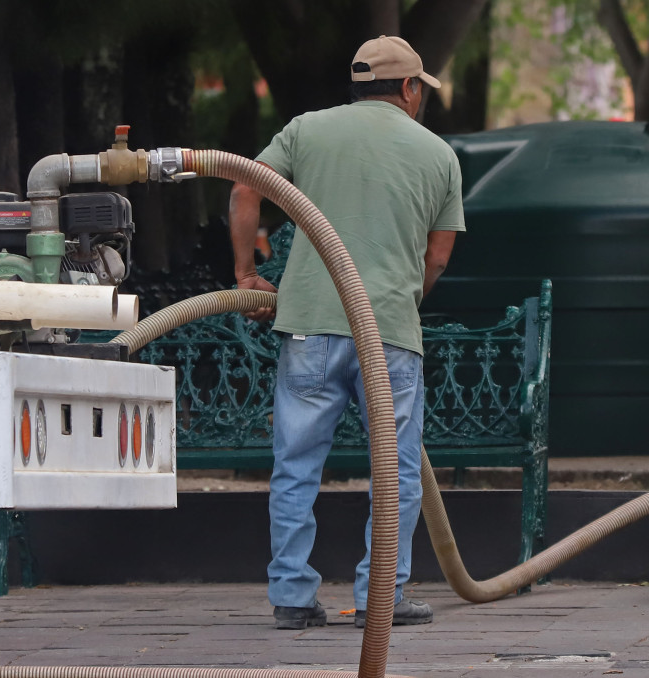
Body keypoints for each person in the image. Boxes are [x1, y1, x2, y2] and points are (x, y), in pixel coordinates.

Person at [227, 35, 466, 630]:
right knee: (397, 470)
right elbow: (438, 258)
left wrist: (245, 274)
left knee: (296, 465)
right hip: (387, 330)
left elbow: (242, 186)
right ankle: (380, 597)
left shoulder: (307, 130)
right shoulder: (437, 154)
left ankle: (289, 595)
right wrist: (400, 299)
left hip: (307, 324)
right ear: (410, 89)